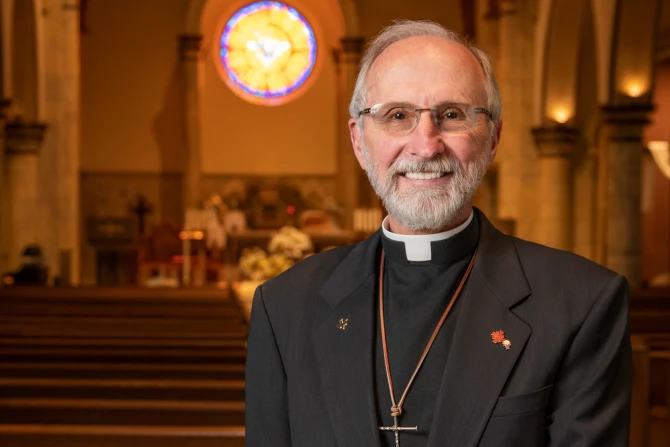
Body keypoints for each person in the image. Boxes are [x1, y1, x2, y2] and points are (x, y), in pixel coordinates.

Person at [245, 20, 632, 447]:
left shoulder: (581, 304)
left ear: (493, 138)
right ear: (359, 141)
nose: (426, 146)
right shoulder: (284, 307)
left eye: (452, 115)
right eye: (397, 116)